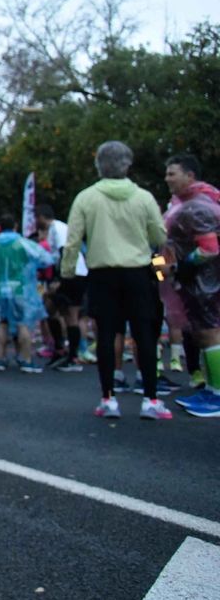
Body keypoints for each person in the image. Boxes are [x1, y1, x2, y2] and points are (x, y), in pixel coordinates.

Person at [61, 140, 172, 421]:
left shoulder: (86, 197)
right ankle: (151, 399)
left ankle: (108, 398)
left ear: (99, 165)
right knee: (144, 334)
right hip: (138, 273)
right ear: (128, 164)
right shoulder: (143, 197)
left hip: (102, 274)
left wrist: (68, 272)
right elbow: (160, 236)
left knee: (107, 335)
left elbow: (72, 240)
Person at [163, 154, 220, 417]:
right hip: (194, 283)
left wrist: (182, 265)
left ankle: (217, 394)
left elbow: (209, 248)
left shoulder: (197, 207)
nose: (167, 178)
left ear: (190, 176)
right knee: (201, 333)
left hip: (206, 282)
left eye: (172, 173)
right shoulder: (183, 203)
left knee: (210, 333)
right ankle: (210, 388)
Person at [0, 215, 55, 373]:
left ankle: (0, 359)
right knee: (23, 323)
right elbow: (45, 258)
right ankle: (26, 359)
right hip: (20, 288)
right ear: (15, 226)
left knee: (0, 323)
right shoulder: (22, 243)